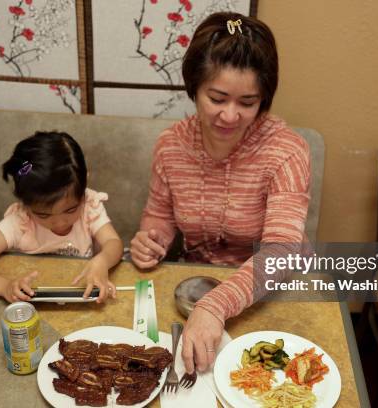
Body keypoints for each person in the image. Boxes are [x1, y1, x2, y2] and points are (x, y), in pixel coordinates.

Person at [130, 12, 311, 373]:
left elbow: (282, 251)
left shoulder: (287, 151)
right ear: (194, 87)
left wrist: (216, 305)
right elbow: (160, 217)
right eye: (217, 98)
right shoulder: (170, 145)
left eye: (247, 103)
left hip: (267, 293)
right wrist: (151, 240)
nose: (230, 116)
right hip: (192, 289)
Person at [0, 131, 123, 303]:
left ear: (84, 185)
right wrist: (4, 287)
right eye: (43, 215)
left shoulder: (89, 206)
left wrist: (102, 261)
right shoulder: (20, 222)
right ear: (25, 203)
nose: (59, 222)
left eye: (70, 210)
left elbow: (114, 243)